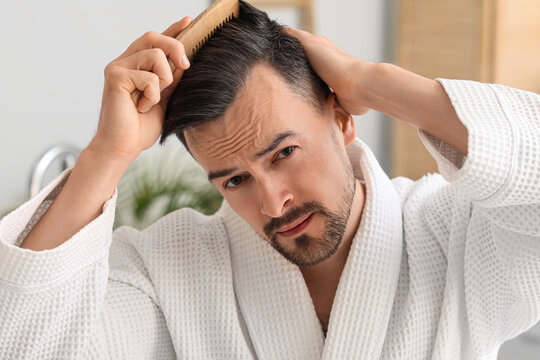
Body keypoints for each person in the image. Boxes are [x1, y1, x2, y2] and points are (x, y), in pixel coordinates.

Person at [1, 1, 539, 359]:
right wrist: (107, 155)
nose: (273, 200)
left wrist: (374, 82)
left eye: (283, 152)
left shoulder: (454, 235)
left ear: (343, 116)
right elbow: (32, 346)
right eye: (234, 181)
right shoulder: (167, 268)